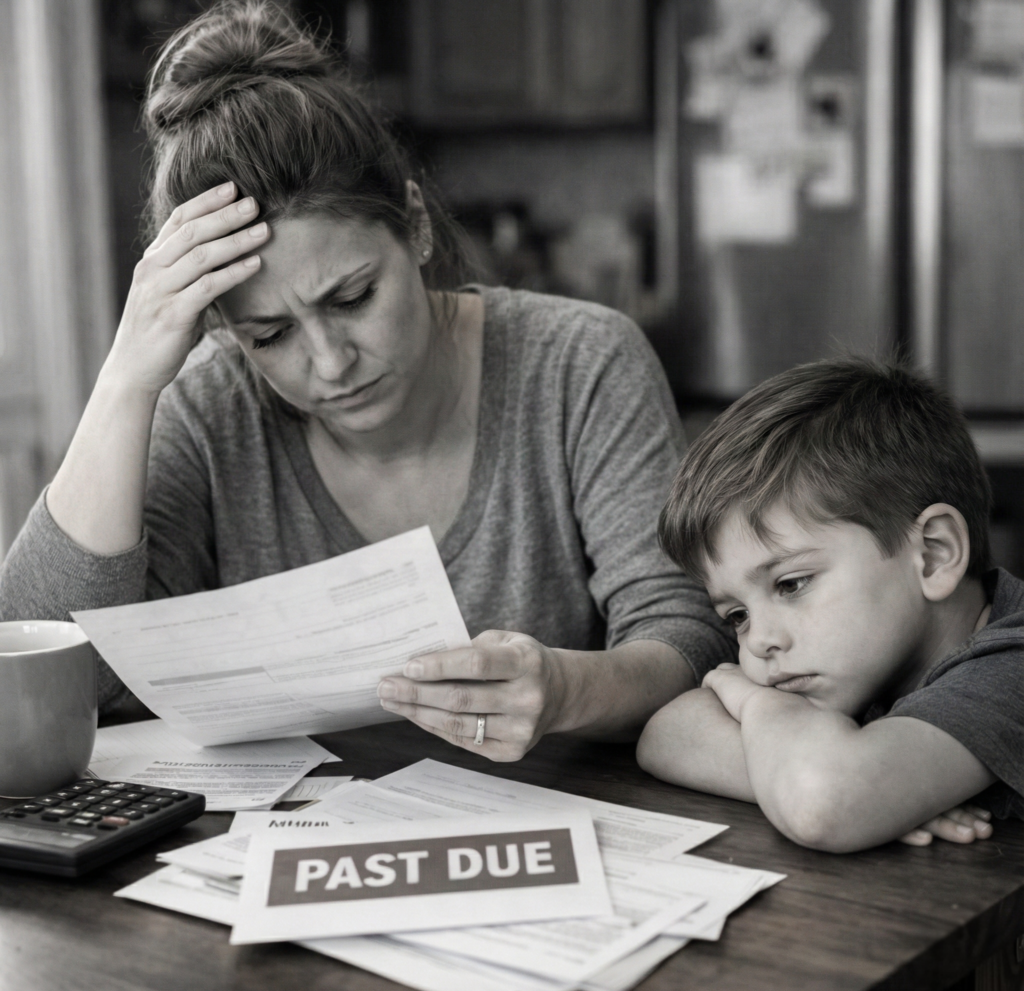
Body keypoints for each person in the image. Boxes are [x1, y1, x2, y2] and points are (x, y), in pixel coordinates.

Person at [0, 1, 733, 761]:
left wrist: (567, 689)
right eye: (270, 334)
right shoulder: (212, 408)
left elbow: (689, 636)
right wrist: (126, 382)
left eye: (351, 298)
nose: (329, 361)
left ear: (414, 224)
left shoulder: (582, 365)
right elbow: (44, 672)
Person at [637, 357, 1024, 852]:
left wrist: (779, 731)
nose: (759, 640)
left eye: (792, 584)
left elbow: (824, 802)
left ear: (932, 555)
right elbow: (666, 733)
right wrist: (844, 782)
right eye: (737, 615)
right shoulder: (860, 661)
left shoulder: (1011, 666)